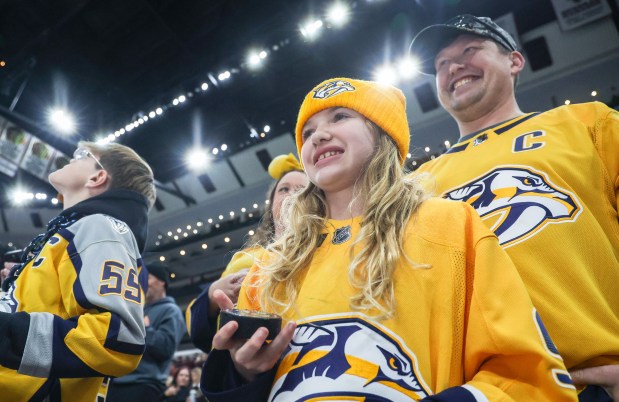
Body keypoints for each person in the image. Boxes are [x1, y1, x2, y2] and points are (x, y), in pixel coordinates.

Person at [199, 77, 578, 401]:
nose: (319, 135)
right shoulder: (271, 265)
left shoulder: (447, 224)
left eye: (340, 117)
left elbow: (525, 373)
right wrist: (245, 372)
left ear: (383, 134)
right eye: (308, 132)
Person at [409, 14, 619, 401]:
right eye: (441, 65)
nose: (453, 67)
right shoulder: (414, 186)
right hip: (485, 392)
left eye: (469, 50)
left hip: (595, 380)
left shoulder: (589, 123)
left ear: (514, 61)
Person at [0, 141, 156, 401]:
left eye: (81, 155)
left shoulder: (101, 228)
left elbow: (116, 339)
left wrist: (5, 333)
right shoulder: (78, 232)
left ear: (97, 177)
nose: (70, 159)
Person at [186, 153, 307, 352]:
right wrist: (212, 294)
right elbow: (202, 331)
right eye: (283, 189)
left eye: (301, 189)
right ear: (271, 205)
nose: (290, 195)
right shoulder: (246, 258)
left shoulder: (330, 250)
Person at [107, 262, 186, 401]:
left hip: (144, 385)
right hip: (118, 382)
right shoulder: (139, 309)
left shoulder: (171, 311)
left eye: (147, 278)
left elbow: (165, 349)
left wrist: (147, 329)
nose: (142, 283)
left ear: (162, 282)